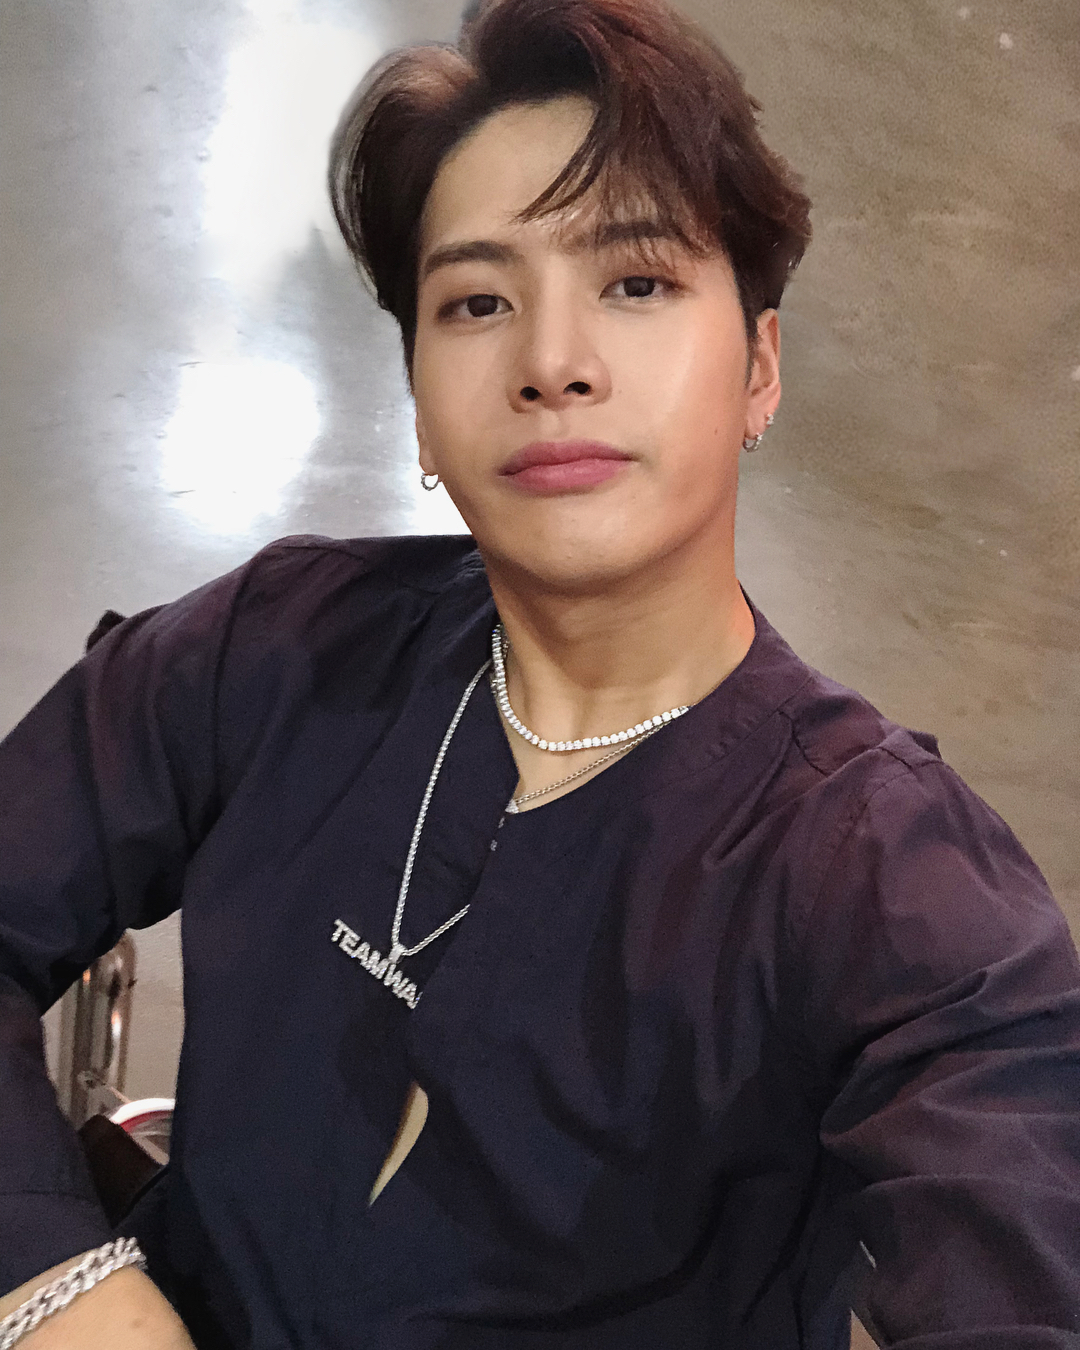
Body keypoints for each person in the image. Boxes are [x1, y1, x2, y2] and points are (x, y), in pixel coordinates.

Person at [1, 0, 1078, 1345]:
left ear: (759, 367)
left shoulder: (888, 881)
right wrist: (57, 1279)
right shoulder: (277, 646)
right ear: (419, 404)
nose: (552, 364)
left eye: (636, 284)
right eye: (477, 301)